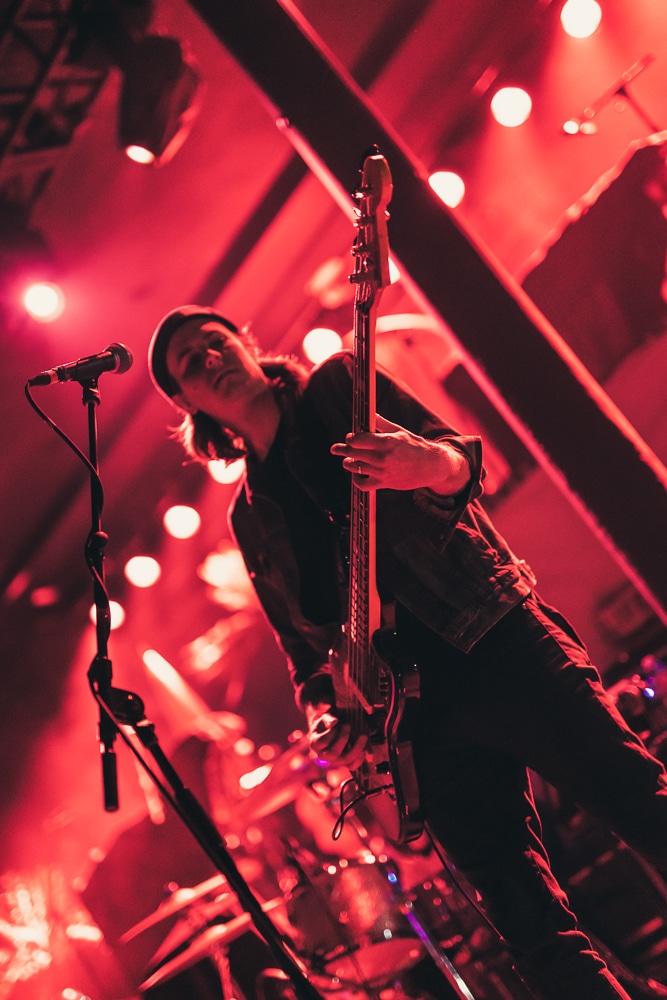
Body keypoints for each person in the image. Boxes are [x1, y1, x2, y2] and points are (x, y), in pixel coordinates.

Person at [148, 304, 667, 1000]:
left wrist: (427, 463)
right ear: (186, 403)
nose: (211, 358)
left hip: (493, 641)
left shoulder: (339, 388)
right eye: (191, 362)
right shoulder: (250, 518)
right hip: (415, 723)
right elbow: (304, 654)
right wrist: (325, 714)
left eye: (215, 341)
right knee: (527, 927)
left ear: (245, 342)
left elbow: (462, 464)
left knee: (640, 802)